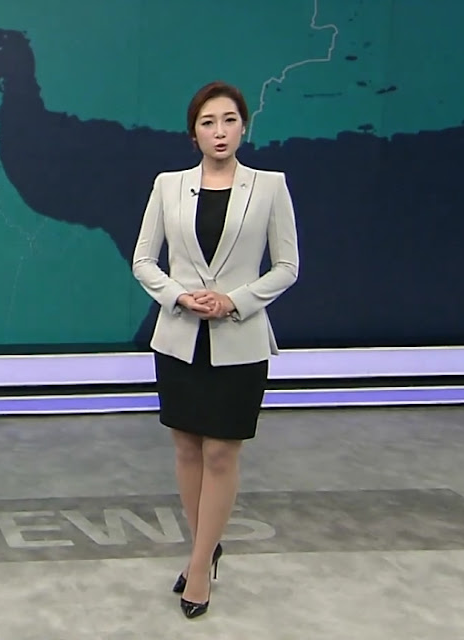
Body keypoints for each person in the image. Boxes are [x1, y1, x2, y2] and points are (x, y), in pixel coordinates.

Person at [132, 80, 299, 619]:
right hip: (179, 338)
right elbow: (143, 261)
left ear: (243, 126)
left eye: (228, 120)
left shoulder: (269, 187)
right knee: (187, 448)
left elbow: (287, 267)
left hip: (239, 341)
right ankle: (205, 546)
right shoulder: (168, 186)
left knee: (222, 452)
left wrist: (234, 301)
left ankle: (200, 566)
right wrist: (181, 296)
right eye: (208, 122)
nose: (219, 131)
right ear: (194, 134)